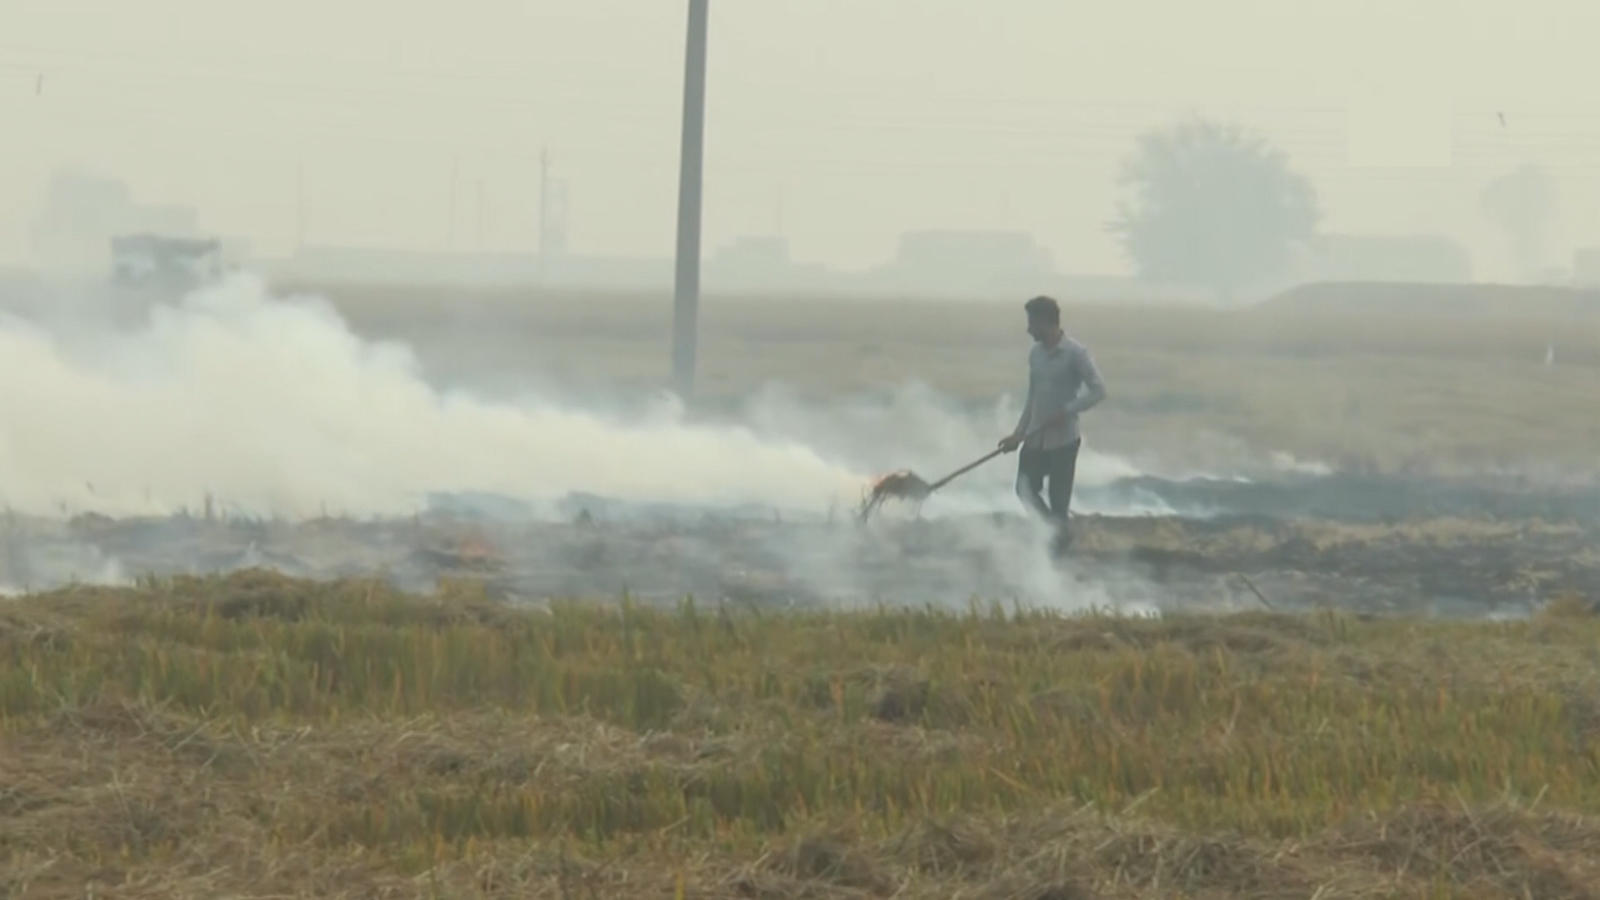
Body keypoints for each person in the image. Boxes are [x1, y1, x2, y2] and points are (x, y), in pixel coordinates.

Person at [998, 295, 1106, 555]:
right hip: (1035, 438)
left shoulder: (1075, 354)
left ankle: (1057, 553)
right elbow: (1032, 397)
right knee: (1024, 489)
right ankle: (1055, 535)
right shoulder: (1035, 354)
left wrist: (1067, 411)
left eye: (1031, 323)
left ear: (1046, 322)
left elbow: (1098, 391)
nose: (1028, 329)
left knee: (1059, 504)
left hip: (1064, 442)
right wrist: (1017, 434)